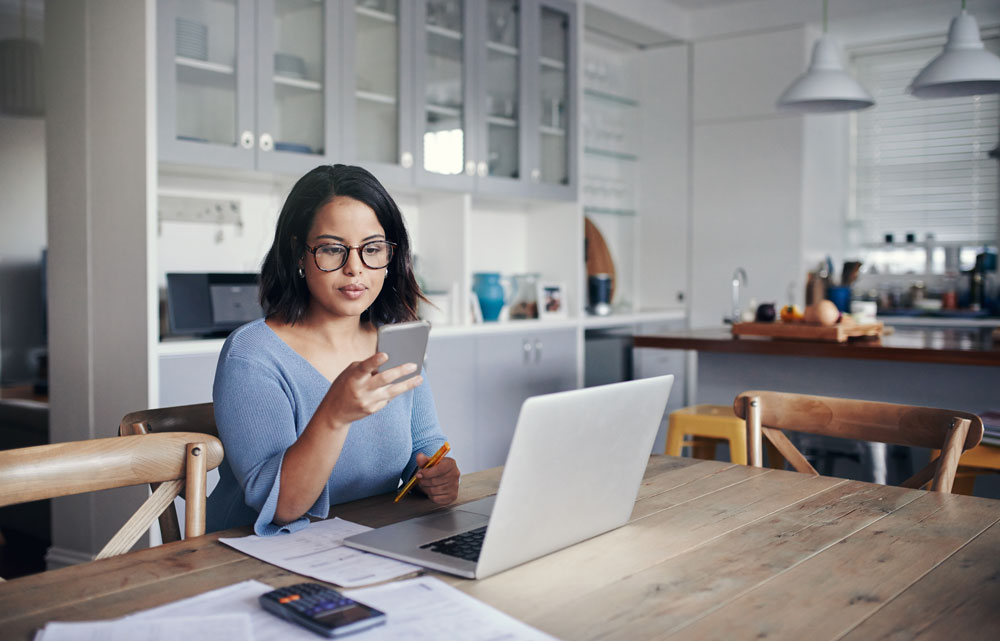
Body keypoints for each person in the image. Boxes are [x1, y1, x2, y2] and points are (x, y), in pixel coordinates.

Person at [207, 164, 460, 535]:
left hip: (366, 542)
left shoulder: (396, 340)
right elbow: (280, 508)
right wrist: (334, 415)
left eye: (372, 249)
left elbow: (424, 445)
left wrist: (436, 474)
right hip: (252, 561)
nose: (355, 268)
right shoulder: (252, 354)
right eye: (332, 249)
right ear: (298, 253)